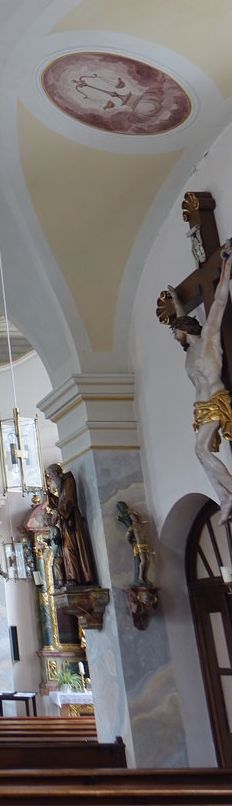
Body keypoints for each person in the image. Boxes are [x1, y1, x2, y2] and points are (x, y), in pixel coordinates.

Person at [167, 241, 232, 523]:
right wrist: (176, 301)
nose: (173, 334)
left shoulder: (208, 339)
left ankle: (230, 493)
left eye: (174, 332)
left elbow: (218, 301)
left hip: (216, 399)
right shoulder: (190, 353)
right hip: (201, 408)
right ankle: (225, 496)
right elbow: (182, 318)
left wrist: (227, 264)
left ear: (183, 331)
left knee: (201, 450)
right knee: (200, 454)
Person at [44, 464, 96, 586]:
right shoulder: (63, 484)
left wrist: (58, 511)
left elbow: (68, 501)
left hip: (71, 518)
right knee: (66, 549)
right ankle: (72, 577)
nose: (50, 478)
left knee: (69, 548)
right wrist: (50, 497)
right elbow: (61, 501)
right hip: (65, 519)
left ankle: (75, 578)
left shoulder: (69, 481)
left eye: (51, 475)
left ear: (56, 472)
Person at [116, 501, 153, 586]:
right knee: (143, 561)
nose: (133, 518)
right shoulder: (132, 527)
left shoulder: (140, 525)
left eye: (134, 516)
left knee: (148, 561)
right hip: (139, 545)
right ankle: (140, 578)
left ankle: (145, 577)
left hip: (144, 545)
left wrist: (131, 511)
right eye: (132, 517)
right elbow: (127, 536)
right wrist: (131, 541)